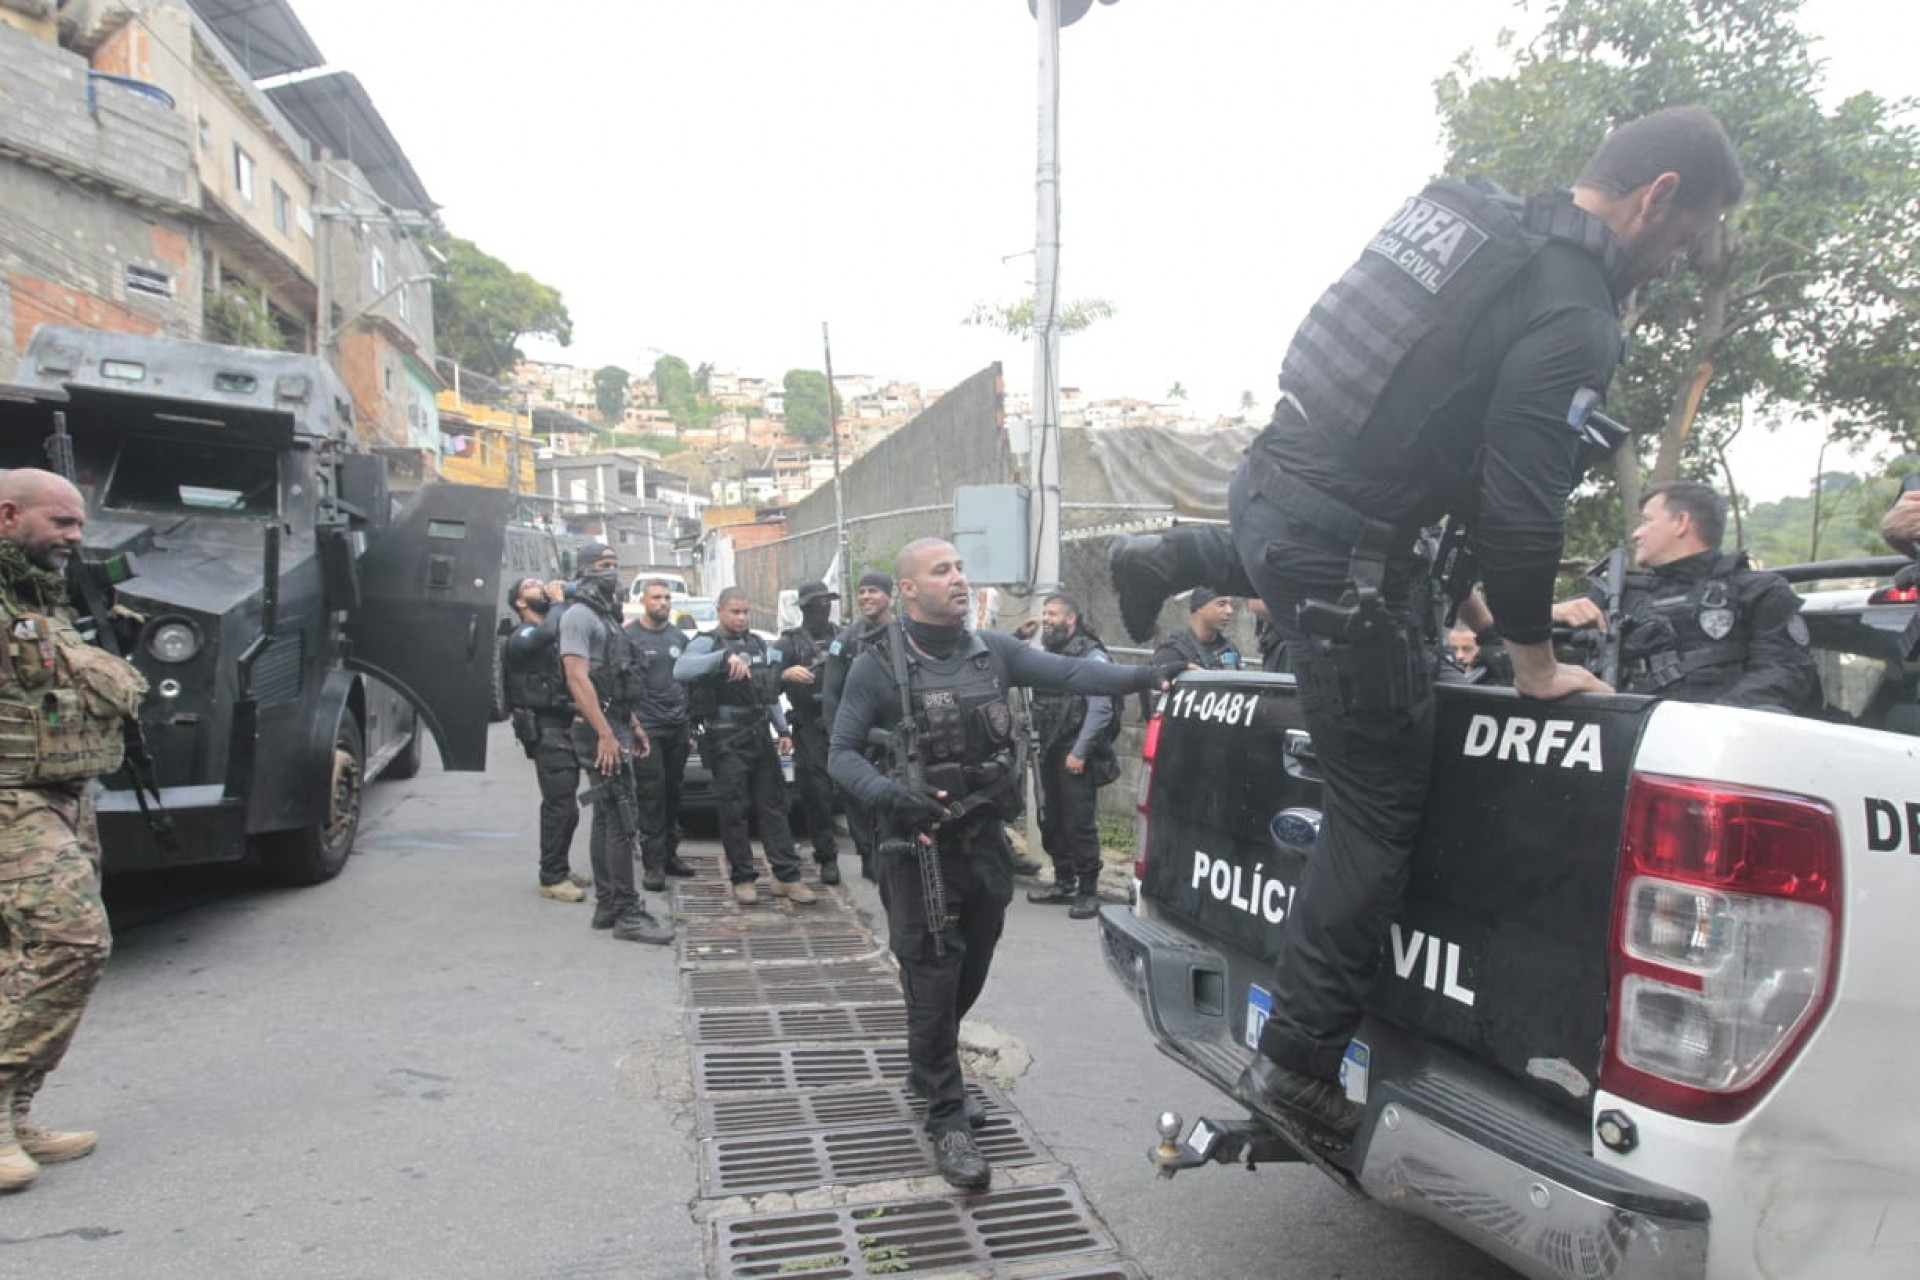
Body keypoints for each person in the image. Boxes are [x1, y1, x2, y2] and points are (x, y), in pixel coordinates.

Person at [1132, 108, 1745, 1146]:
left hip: (1269, 491)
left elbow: (1419, 460)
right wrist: (1536, 663)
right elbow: (1517, 508)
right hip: (1339, 562)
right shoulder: (1574, 310)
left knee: (1302, 552)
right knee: (1376, 809)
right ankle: (1299, 1062)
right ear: (1658, 195)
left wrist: (1480, 610)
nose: (1676, 258)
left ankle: (1160, 556)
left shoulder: (1484, 233)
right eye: (1685, 236)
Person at [828, 538, 1178, 1189]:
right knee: (932, 975)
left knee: (972, 962)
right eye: (942, 571)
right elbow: (841, 753)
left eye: (960, 568)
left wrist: (1144, 675)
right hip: (919, 849)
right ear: (909, 588)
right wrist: (890, 797)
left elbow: (1074, 675)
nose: (958, 579)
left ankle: (927, 1064)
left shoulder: (995, 651)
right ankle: (946, 1115)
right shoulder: (877, 666)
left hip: (985, 840)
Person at [1, 468, 149, 1191]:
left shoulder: (39, 592)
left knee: (21, 955)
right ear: (8, 515)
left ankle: (15, 1110)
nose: (74, 538)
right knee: (73, 939)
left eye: (79, 525)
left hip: (61, 792)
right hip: (9, 798)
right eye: (61, 523)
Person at [1550, 481, 1816, 710]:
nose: (1635, 533)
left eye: (1646, 521)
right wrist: (1552, 612)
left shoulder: (1758, 591)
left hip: (1709, 750)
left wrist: (1697, 725)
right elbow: (1524, 637)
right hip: (1613, 739)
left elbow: (1783, 675)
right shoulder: (1618, 595)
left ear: (1681, 523)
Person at [559, 542, 674, 945]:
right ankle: (627, 912)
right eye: (605, 565)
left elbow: (614, 682)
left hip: (616, 724)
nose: (612, 572)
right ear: (587, 570)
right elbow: (578, 679)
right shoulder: (578, 616)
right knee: (623, 821)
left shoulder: (604, 617)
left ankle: (608, 904)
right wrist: (606, 734)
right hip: (599, 731)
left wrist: (634, 725)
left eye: (615, 565)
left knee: (607, 817)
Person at [676, 588, 815, 906]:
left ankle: (787, 877)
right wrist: (723, 658)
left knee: (774, 808)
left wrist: (782, 730)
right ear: (720, 610)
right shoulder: (706, 642)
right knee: (734, 811)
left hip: (757, 736)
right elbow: (680, 669)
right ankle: (743, 879)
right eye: (734, 612)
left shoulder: (756, 644)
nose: (741, 618)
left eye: (745, 612)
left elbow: (767, 693)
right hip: (726, 740)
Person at [1020, 593, 1124, 920]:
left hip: (1076, 752)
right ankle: (1064, 881)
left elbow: (1101, 708)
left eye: (1053, 614)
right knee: (1051, 818)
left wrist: (1080, 751)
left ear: (1071, 619)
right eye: (1045, 613)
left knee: (1079, 823)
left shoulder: (1091, 655)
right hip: (1050, 750)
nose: (1046, 619)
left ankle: (1087, 890)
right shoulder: (1051, 654)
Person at [503, 576, 592, 903]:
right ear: (520, 603)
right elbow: (545, 633)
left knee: (568, 805)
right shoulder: (523, 635)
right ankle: (551, 877)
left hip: (563, 724)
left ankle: (560, 866)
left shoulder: (552, 629)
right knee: (559, 804)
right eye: (531, 585)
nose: (541, 586)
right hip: (544, 727)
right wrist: (556, 601)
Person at [623, 579, 698, 892]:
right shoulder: (629, 637)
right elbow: (620, 684)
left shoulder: (679, 637)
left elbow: (689, 683)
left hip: (676, 728)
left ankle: (670, 856)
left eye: (667, 597)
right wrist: (631, 722)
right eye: (656, 597)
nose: (663, 603)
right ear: (643, 600)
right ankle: (653, 865)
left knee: (673, 793)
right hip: (646, 729)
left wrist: (690, 725)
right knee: (651, 796)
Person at [823, 571, 896, 882]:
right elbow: (830, 691)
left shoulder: (905, 633)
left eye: (874, 591)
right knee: (857, 801)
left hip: (895, 736)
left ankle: (894, 854)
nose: (866, 597)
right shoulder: (846, 640)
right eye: (862, 591)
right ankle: (869, 856)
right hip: (858, 734)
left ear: (890, 597)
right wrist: (838, 738)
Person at [778, 580, 843, 885]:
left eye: (827, 602)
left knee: (856, 794)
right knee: (817, 795)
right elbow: (764, 677)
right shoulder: (789, 643)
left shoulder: (844, 636)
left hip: (844, 725)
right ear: (804, 608)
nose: (824, 608)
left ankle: (871, 856)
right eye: (817, 604)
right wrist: (784, 673)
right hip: (809, 728)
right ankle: (826, 856)